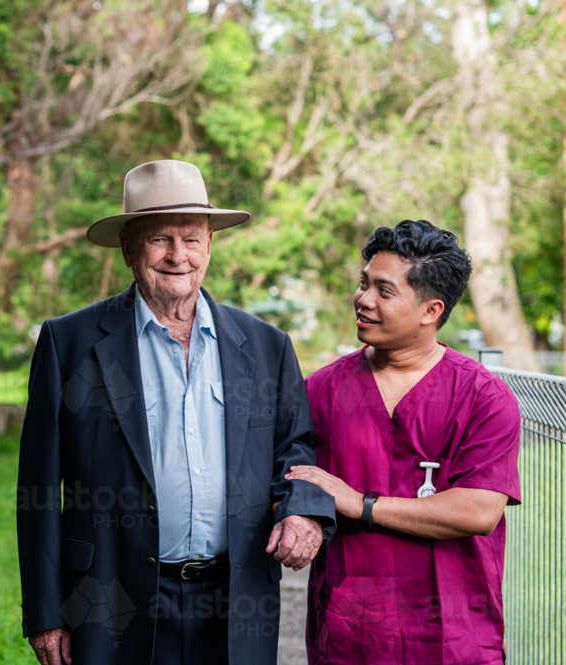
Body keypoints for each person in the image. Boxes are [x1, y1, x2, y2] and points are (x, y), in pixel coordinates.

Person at [17, 159, 337, 665]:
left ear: (210, 244)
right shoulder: (70, 342)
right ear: (128, 247)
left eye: (191, 238)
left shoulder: (267, 347)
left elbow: (294, 449)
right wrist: (45, 612)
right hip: (110, 598)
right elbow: (36, 488)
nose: (177, 256)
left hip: (236, 597)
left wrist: (303, 510)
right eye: (159, 239)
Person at [286, 220, 521, 665]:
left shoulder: (482, 398)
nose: (363, 300)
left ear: (430, 311)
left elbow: (478, 511)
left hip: (452, 640)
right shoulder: (317, 391)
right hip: (347, 636)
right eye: (363, 283)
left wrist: (363, 504)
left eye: (384, 291)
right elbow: (287, 476)